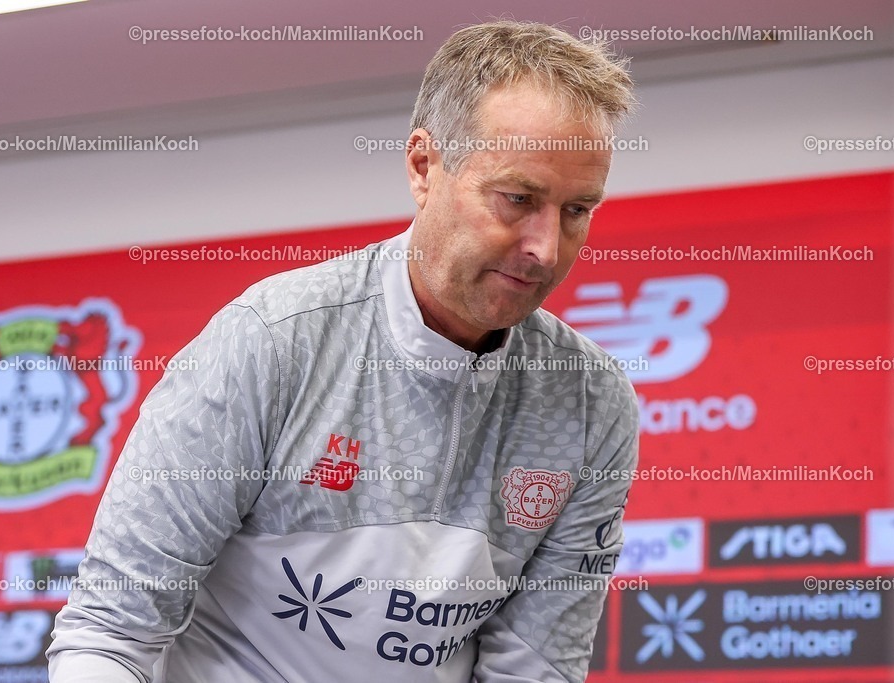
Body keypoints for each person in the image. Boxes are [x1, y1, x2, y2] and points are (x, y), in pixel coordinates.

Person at [47, 19, 639, 683]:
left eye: (576, 210)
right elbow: (109, 632)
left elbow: (534, 669)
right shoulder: (273, 340)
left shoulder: (591, 402)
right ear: (424, 166)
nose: (546, 247)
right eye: (518, 198)